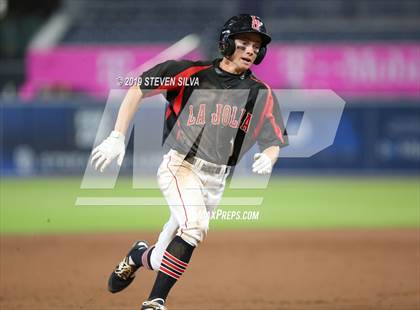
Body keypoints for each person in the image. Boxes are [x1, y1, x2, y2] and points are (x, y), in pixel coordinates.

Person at [91, 14, 288, 310]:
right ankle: (155, 302)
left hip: (217, 179)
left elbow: (273, 140)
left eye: (256, 46)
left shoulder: (261, 93)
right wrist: (117, 136)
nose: (251, 50)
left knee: (163, 256)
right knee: (194, 227)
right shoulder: (189, 73)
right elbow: (137, 89)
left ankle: (138, 256)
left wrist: (269, 158)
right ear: (226, 42)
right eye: (244, 42)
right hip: (180, 166)